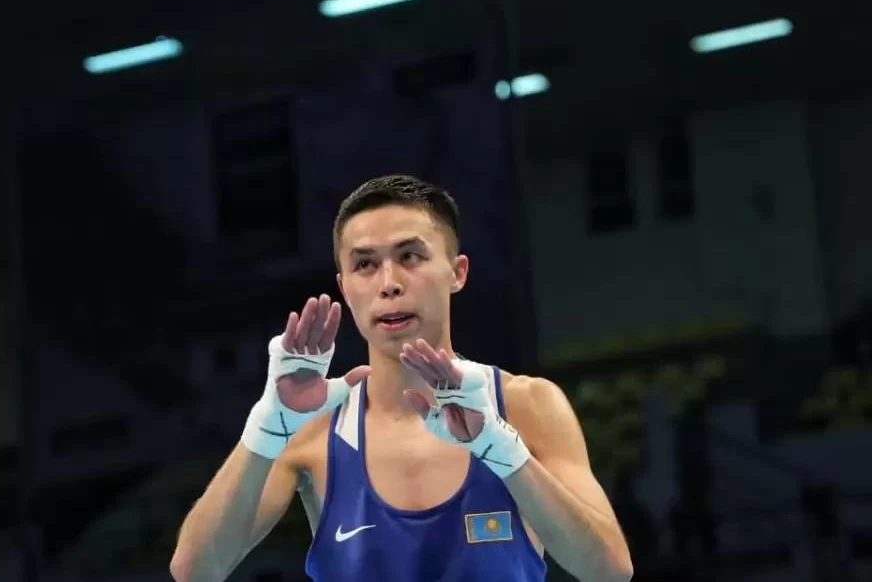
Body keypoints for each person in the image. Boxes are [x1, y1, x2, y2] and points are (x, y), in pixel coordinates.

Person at [170, 175, 633, 581]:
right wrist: (266, 429)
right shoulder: (311, 427)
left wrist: (504, 451)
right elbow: (196, 571)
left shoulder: (526, 405)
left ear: (457, 272)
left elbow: (609, 570)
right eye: (365, 264)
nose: (389, 283)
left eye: (410, 256)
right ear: (344, 287)